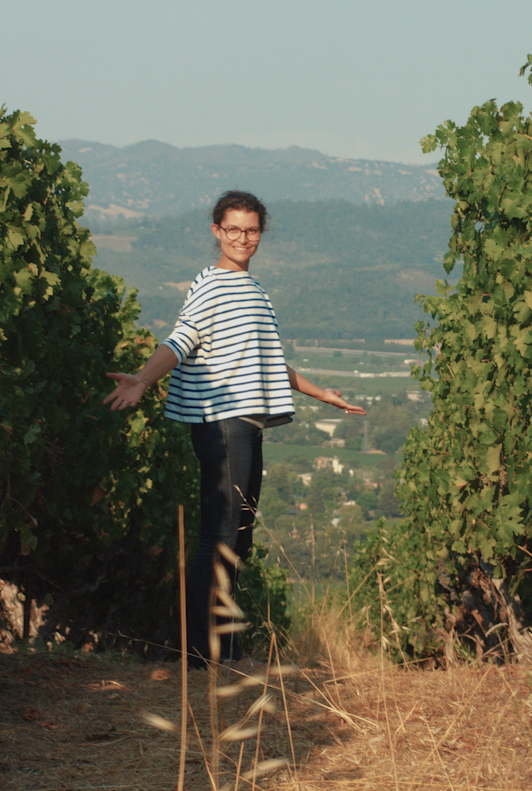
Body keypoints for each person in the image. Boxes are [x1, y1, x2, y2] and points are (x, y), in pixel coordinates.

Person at [103, 190, 365, 669]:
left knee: (237, 537)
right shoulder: (213, 286)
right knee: (221, 536)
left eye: (251, 230)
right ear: (216, 232)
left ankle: (218, 646)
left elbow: (265, 359)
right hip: (223, 424)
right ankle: (205, 653)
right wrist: (143, 377)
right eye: (233, 229)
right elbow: (181, 339)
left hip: (244, 424)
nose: (243, 238)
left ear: (260, 233)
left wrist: (321, 393)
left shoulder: (252, 289)